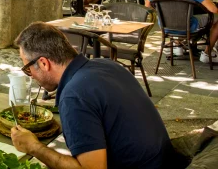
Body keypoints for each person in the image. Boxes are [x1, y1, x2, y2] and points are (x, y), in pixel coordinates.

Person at [12, 22, 185, 169]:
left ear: (43, 63)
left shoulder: (74, 96)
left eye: (28, 68)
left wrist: (34, 147)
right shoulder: (106, 65)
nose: (31, 75)